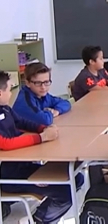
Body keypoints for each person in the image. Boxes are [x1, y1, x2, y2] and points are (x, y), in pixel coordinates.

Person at [0, 71, 83, 223]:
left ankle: (41, 216)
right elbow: (4, 143)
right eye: (9, 89)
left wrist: (44, 128)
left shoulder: (5, 109)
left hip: (22, 164)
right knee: (66, 192)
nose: (11, 93)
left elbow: (22, 122)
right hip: (8, 175)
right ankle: (38, 220)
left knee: (77, 178)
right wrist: (41, 137)